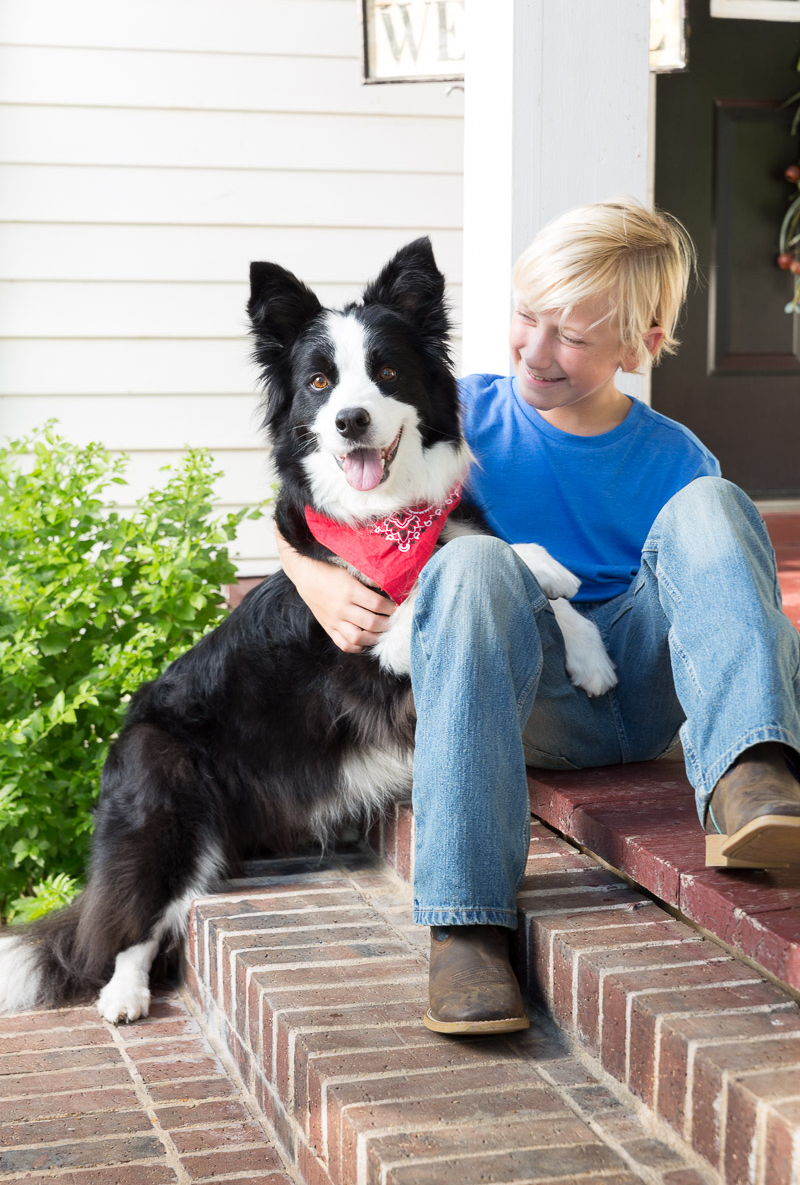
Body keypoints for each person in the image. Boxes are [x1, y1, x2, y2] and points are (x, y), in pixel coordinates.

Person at [277, 198, 800, 1036]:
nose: (539, 350)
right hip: (529, 697)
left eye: (575, 336)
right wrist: (311, 580)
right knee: (475, 558)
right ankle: (468, 924)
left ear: (643, 344)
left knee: (714, 504)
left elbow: (727, 599)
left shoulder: (675, 455)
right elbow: (310, 498)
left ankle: (754, 773)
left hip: (653, 684)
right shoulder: (461, 413)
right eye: (528, 319)